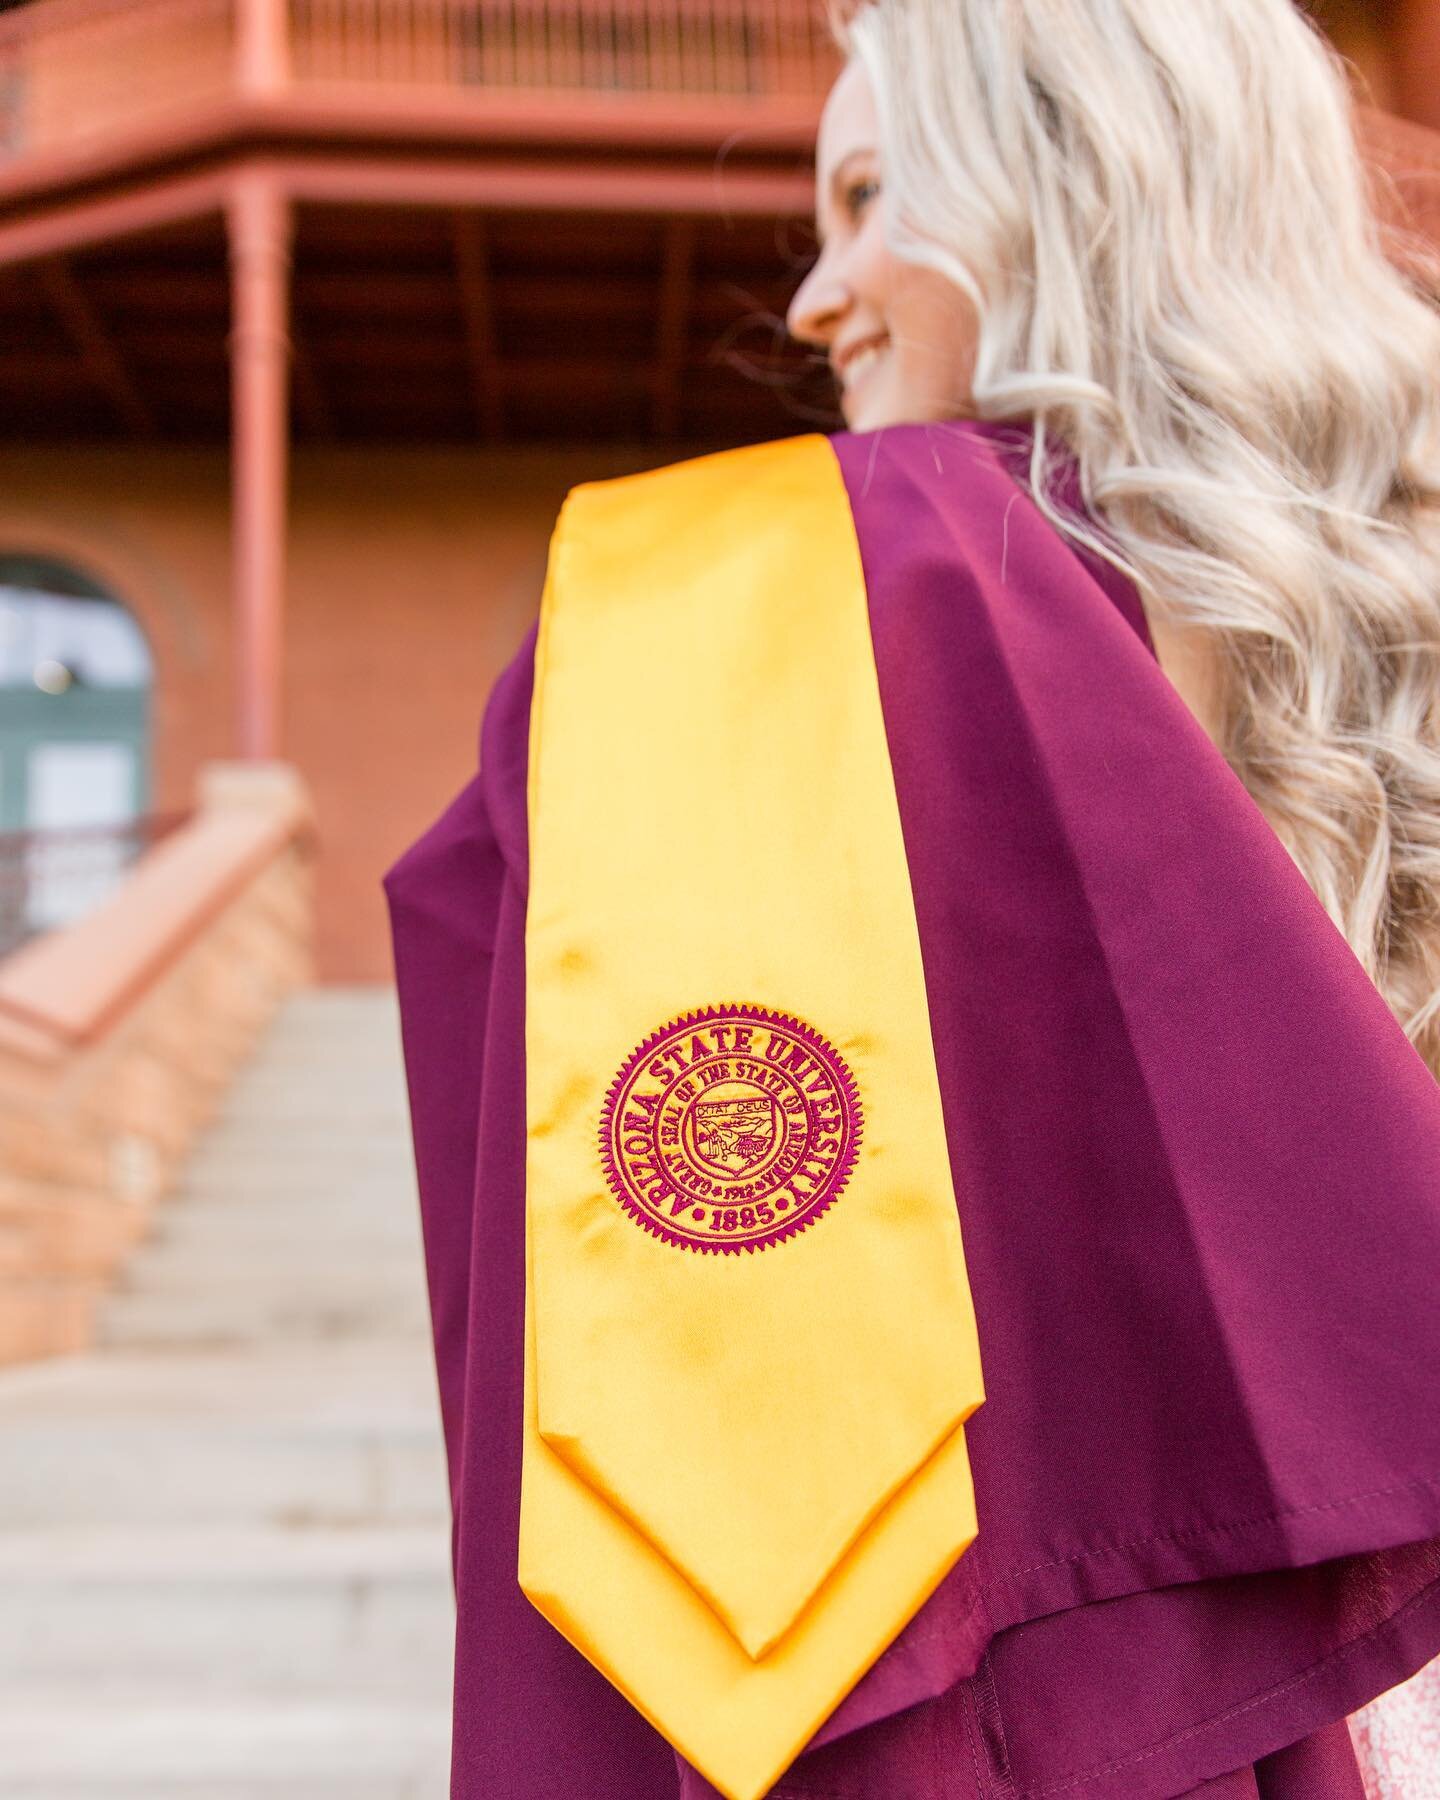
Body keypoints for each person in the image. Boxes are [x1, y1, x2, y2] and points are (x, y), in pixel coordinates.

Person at [383, 1, 1440, 1794]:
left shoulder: (837, 589)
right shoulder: (1380, 653)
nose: (820, 294)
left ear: (1076, 187)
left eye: (874, 197)